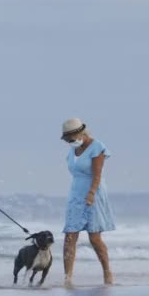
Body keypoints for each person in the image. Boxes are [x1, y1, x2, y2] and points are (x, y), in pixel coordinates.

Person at [60, 118, 115, 287]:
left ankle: (107, 272)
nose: (70, 141)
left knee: (94, 237)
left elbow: (97, 174)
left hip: (93, 192)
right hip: (76, 193)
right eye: (67, 139)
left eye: (71, 137)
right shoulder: (72, 151)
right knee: (70, 236)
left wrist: (91, 193)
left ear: (81, 132)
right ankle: (68, 278)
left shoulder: (96, 147)